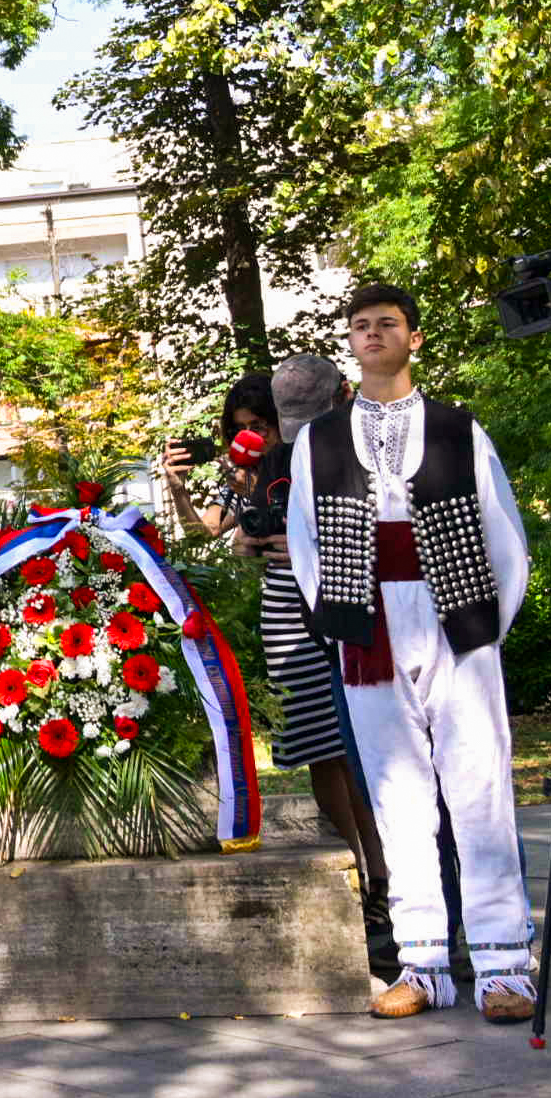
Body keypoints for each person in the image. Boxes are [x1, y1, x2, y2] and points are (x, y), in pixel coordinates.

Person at [286, 285, 538, 1025]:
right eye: (360, 326)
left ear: (414, 339)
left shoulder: (460, 429)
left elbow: (504, 533)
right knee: (397, 795)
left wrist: (488, 624)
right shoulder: (320, 439)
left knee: (479, 787)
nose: (370, 335)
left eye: (385, 324)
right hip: (366, 622)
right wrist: (339, 621)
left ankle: (503, 964)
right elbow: (306, 542)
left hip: (455, 613)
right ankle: (423, 961)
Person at [164, 364, 396, 979]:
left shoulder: (332, 454)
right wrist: (183, 492)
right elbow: (206, 535)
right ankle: (358, 879)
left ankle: (388, 878)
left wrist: (306, 546)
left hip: (342, 604)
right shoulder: (245, 477)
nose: (255, 437)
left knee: (362, 748)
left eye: (262, 424)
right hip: (285, 616)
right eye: (241, 428)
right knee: (322, 750)